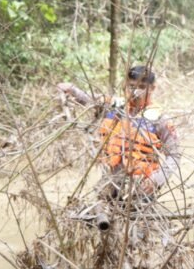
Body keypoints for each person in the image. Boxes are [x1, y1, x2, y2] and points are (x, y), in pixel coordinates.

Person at [57, 65, 179, 201]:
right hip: (111, 182)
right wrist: (71, 89)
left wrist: (157, 180)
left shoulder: (160, 119)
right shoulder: (115, 106)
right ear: (125, 85)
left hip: (141, 188)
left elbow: (174, 156)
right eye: (131, 86)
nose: (135, 92)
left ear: (152, 88)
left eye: (142, 87)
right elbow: (88, 99)